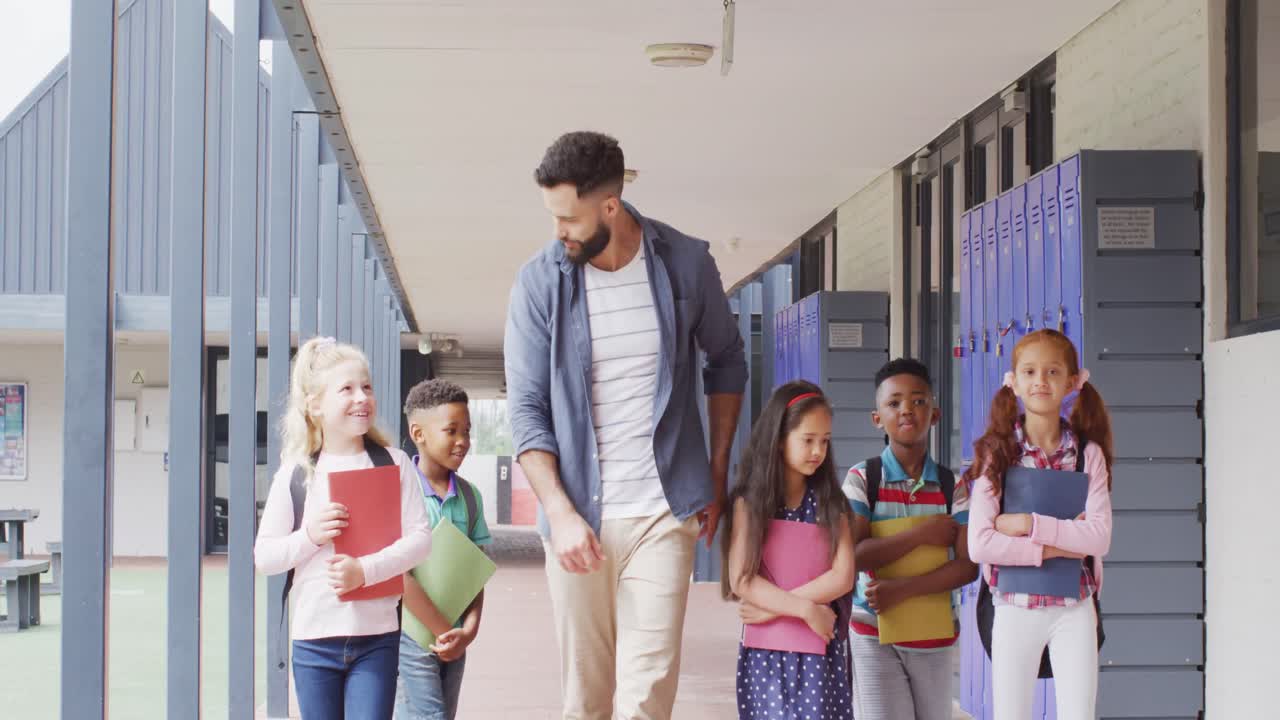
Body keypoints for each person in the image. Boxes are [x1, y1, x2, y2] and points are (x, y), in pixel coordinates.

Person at [504, 130, 747, 719]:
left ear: (609, 206)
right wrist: (559, 515)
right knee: (587, 699)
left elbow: (728, 359)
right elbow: (526, 411)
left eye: (568, 218)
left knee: (647, 691)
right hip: (576, 515)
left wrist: (715, 472)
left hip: (664, 509)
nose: (557, 231)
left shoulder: (685, 263)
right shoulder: (540, 282)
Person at [254, 336, 432, 719]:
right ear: (315, 405)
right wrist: (310, 536)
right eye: (347, 389)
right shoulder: (298, 474)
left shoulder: (394, 463)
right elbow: (265, 556)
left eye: (366, 387)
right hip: (313, 642)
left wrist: (363, 572)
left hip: (377, 639)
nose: (362, 397)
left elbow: (420, 540)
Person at [965, 329, 1114, 720]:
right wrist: (1062, 545)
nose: (1041, 381)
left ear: (1071, 381)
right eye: (1029, 372)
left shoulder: (1087, 454)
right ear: (1014, 382)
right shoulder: (996, 452)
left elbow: (1098, 537)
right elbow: (980, 545)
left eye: (1052, 372)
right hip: (1013, 608)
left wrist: (1028, 523)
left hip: (1074, 607)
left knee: (1078, 714)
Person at [843, 358, 977, 719]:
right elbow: (853, 555)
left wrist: (901, 590)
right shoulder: (862, 479)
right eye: (894, 402)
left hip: (932, 631)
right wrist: (923, 534)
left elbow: (967, 567)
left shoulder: (953, 486)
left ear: (935, 414)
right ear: (877, 418)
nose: (907, 411)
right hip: (872, 630)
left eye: (919, 401)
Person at [723, 381, 855, 720]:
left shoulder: (831, 502)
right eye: (807, 440)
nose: (818, 451)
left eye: (824, 441)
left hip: (818, 650)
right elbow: (741, 579)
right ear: (779, 439)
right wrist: (806, 609)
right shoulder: (749, 503)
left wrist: (778, 609)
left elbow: (843, 576)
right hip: (766, 653)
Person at [396, 379, 493, 720]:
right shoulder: (399, 491)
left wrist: (468, 630)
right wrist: (444, 631)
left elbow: (475, 574)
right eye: (451, 431)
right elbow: (398, 576)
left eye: (466, 430)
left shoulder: (470, 497)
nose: (463, 441)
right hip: (410, 635)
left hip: (453, 637)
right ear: (418, 434)